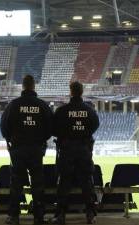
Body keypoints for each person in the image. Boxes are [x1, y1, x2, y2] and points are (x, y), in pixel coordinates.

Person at [1, 75, 53, 225]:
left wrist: (10, 139)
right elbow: (50, 127)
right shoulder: (42, 105)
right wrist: (41, 139)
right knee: (38, 183)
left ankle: (14, 216)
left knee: (16, 183)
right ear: (34, 86)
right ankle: (38, 217)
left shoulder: (13, 105)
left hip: (18, 149)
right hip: (36, 149)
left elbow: (4, 126)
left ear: (23, 86)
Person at [51, 81, 100, 224]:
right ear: (82, 92)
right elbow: (95, 126)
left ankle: (60, 215)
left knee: (64, 183)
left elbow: (53, 129)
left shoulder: (62, 111)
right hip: (84, 150)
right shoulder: (90, 111)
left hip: (66, 151)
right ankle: (90, 214)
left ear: (71, 91)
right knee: (86, 182)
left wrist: (67, 135)